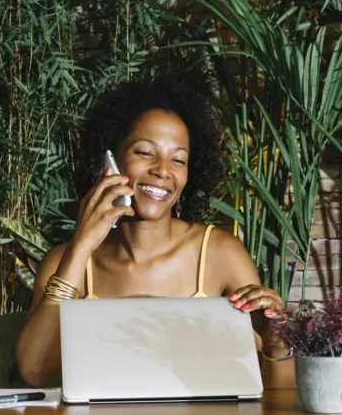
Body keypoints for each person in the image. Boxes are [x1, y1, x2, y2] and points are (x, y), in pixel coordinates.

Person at [15, 79, 296, 389]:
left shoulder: (221, 253)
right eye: (145, 153)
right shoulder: (66, 261)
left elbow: (277, 398)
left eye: (178, 160)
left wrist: (278, 344)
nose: (163, 170)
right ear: (110, 160)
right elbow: (34, 371)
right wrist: (81, 245)